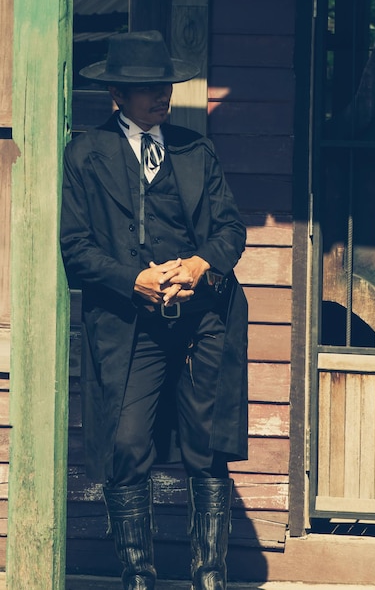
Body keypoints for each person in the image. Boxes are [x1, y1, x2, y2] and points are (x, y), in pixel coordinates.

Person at [60, 30, 248, 590]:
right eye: (146, 88)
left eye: (164, 85)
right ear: (116, 94)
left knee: (207, 445)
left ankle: (208, 575)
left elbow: (231, 230)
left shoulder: (195, 150)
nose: (160, 95)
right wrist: (133, 280)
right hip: (130, 324)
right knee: (126, 443)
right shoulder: (86, 154)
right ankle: (137, 575)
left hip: (203, 321)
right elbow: (76, 249)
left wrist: (198, 265)